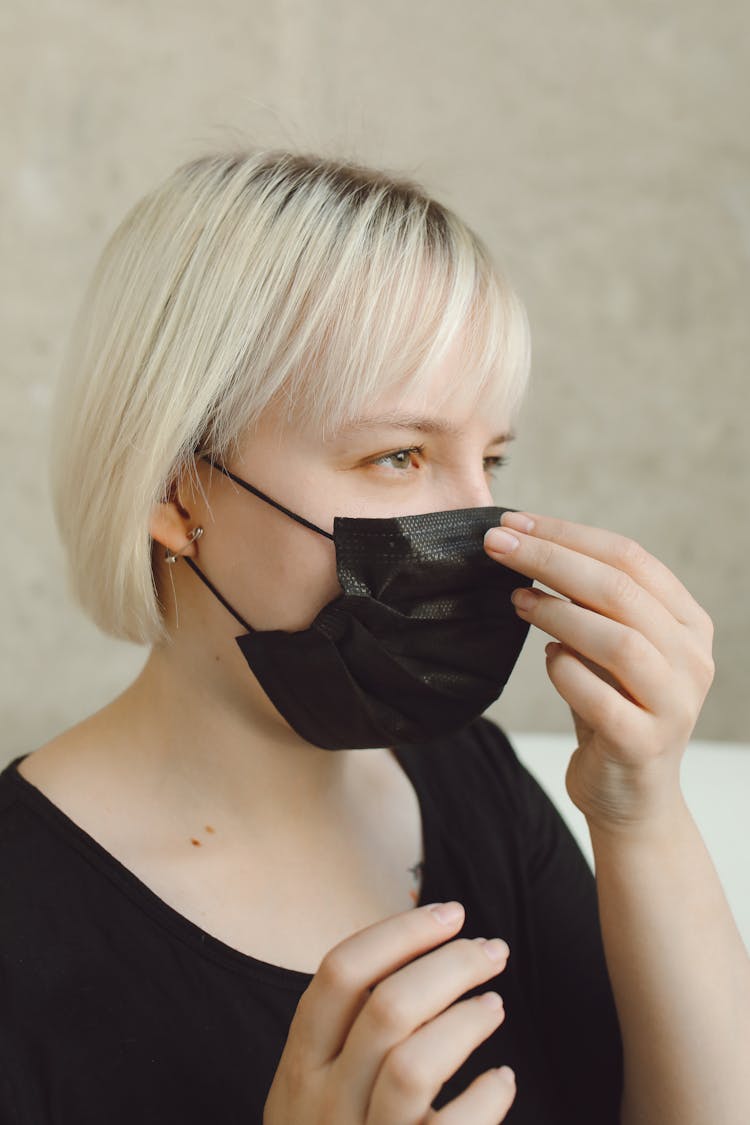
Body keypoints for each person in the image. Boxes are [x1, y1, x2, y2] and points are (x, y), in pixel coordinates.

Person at [0, 147, 747, 1125]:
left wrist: (641, 812)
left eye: (490, 457)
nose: (484, 530)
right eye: (399, 455)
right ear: (178, 491)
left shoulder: (472, 782)